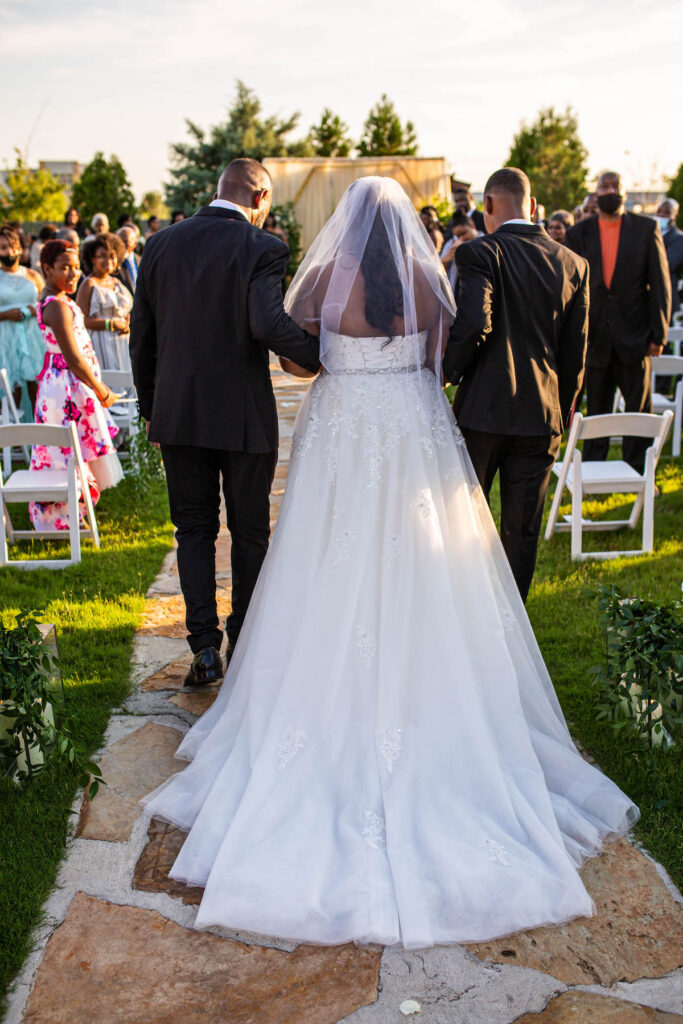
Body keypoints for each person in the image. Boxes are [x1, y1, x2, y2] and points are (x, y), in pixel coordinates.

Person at [142, 175, 636, 949]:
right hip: (409, 429)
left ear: (347, 231)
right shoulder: (428, 279)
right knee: (426, 561)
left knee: (323, 560)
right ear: (403, 229)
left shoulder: (326, 284)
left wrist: (341, 358)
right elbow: (443, 353)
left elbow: (302, 357)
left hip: (344, 431)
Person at [130, 158, 320, 686]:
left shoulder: (161, 245)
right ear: (260, 198)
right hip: (241, 417)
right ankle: (246, 638)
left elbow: (140, 336)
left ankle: (204, 648)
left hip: (179, 414)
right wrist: (322, 350)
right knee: (249, 531)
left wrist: (154, 409)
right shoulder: (263, 247)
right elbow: (267, 321)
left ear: (220, 191)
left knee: (192, 530)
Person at [443, 168, 589, 603]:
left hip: (482, 412)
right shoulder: (573, 263)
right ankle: (512, 622)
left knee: (465, 520)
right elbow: (574, 352)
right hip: (541, 415)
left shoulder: (479, 253)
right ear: (532, 203)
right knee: (522, 529)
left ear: (488, 205)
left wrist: (446, 373)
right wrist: (561, 411)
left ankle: (468, 610)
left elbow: (473, 324)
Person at [565, 171, 671, 471]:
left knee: (639, 409)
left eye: (615, 187)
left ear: (624, 193)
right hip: (594, 337)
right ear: (596, 193)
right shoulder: (579, 233)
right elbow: (571, 289)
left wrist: (658, 335)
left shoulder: (645, 228)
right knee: (596, 408)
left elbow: (660, 285)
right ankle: (592, 469)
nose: (609, 191)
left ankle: (640, 470)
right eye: (604, 187)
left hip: (635, 336)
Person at [30, 239, 122, 531]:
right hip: (66, 389)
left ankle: (76, 511)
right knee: (67, 451)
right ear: (47, 269)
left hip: (68, 386)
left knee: (77, 449)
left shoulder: (61, 299)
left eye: (75, 267)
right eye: (63, 268)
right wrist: (102, 390)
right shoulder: (55, 306)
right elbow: (73, 359)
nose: (72, 274)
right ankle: (58, 516)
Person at [0, 223, 45, 409]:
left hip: (32, 337)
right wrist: (4, 314)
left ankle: (39, 434)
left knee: (37, 388)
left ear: (19, 247)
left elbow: (46, 304)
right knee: (11, 392)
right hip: (5, 339)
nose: (9, 251)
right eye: (3, 248)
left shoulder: (33, 275)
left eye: (12, 246)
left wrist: (34, 310)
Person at [77, 233, 133, 372]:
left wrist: (127, 324)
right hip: (100, 344)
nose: (108, 260)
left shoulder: (117, 283)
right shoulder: (89, 285)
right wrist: (111, 324)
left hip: (122, 342)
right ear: (92, 259)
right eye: (102, 256)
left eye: (112, 256)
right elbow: (81, 320)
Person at [656, 198, 683, 320]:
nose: (661, 215)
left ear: (674, 215)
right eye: (659, 211)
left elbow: (667, 264)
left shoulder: (679, 238)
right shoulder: (651, 235)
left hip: (668, 297)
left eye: (666, 212)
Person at [440, 212, 477, 290]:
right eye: (457, 236)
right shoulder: (450, 244)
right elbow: (439, 273)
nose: (461, 238)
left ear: (472, 225)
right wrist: (445, 259)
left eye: (463, 233)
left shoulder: (484, 241)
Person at [116, 225, 139, 295]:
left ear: (135, 244)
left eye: (126, 241)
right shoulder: (113, 263)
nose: (122, 245)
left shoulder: (143, 260)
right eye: (119, 241)